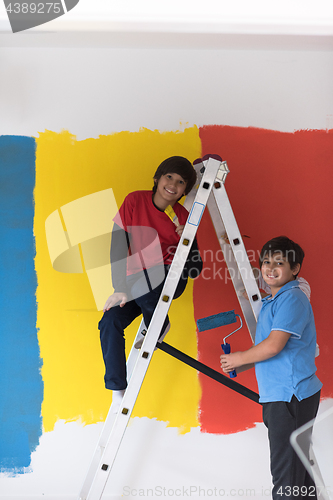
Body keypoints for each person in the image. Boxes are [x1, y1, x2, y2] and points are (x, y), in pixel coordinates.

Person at [220, 236, 322, 500]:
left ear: (295, 269)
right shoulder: (273, 301)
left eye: (279, 262)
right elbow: (275, 349)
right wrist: (244, 364)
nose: (270, 268)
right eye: (266, 262)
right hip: (283, 396)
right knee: (297, 475)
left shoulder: (293, 298)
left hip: (290, 396)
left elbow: (274, 346)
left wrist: (240, 357)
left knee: (286, 480)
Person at [99, 156, 203, 411]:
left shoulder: (182, 217)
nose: (173, 185)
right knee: (109, 320)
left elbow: (195, 269)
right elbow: (117, 247)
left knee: (149, 286)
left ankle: (159, 323)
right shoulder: (135, 201)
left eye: (181, 183)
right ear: (157, 178)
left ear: (185, 190)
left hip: (169, 278)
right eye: (169, 177)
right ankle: (117, 386)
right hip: (135, 283)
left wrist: (186, 241)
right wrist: (119, 288)